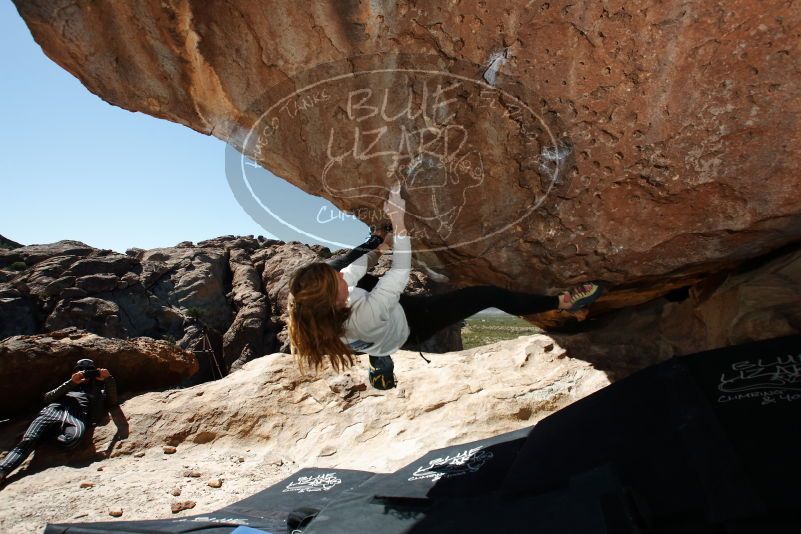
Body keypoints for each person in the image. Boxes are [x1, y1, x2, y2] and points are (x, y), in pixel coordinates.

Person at [287, 182, 603, 389]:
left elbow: (350, 272)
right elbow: (399, 273)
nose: (342, 278)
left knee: (345, 271)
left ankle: (377, 354)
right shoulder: (362, 315)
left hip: (372, 323)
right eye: (336, 283)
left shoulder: (315, 307)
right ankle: (560, 302)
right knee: (484, 296)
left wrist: (376, 245)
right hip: (410, 325)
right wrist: (398, 223)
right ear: (333, 300)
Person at [0, 359, 118, 485]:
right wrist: (72, 382)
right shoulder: (69, 385)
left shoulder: (98, 390)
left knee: (72, 440)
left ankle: (42, 437)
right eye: (81, 370)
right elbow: (48, 398)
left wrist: (108, 379)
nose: (86, 373)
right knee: (28, 440)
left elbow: (112, 402)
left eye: (90, 370)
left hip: (77, 416)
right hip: (52, 411)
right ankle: (2, 470)